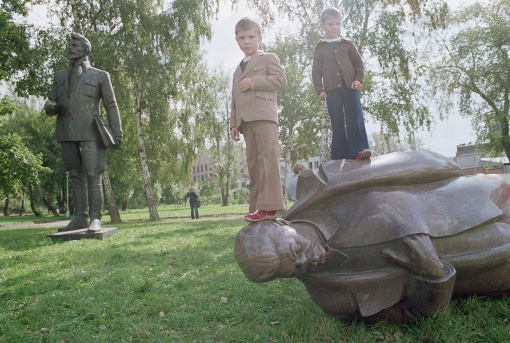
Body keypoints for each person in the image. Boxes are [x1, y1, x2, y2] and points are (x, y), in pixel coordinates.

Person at [234, 150, 510, 322]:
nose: (306, 261)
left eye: (295, 250)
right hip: (493, 255)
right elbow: (412, 316)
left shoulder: (324, 183)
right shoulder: (334, 298)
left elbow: (403, 164)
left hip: (476, 193)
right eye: (293, 270)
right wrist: (434, 274)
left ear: (283, 223)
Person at [44, 33, 123, 233]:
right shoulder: (59, 76)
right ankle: (81, 216)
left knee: (92, 174)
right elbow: (54, 102)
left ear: (85, 49)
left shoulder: (100, 75)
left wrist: (117, 133)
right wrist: (50, 107)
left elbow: (111, 105)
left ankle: (96, 217)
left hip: (91, 131)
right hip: (66, 130)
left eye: (75, 45)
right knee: (75, 175)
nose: (70, 48)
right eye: (70, 45)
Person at [229, 17, 287, 222]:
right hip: (246, 122)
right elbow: (235, 98)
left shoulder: (268, 58)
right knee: (253, 164)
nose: (247, 41)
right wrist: (234, 124)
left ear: (260, 38)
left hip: (264, 117)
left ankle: (270, 208)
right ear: (236, 40)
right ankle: (256, 207)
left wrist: (254, 82)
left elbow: (281, 80)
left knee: (267, 160)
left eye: (251, 37)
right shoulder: (237, 69)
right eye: (242, 38)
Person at [312, 7, 371, 160]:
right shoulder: (320, 47)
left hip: (350, 86)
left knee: (354, 117)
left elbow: (358, 63)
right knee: (337, 120)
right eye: (331, 24)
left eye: (338, 23)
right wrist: (319, 89)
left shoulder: (347, 43)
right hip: (332, 90)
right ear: (322, 25)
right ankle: (339, 154)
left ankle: (358, 150)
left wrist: (358, 79)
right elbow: (316, 71)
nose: (335, 27)